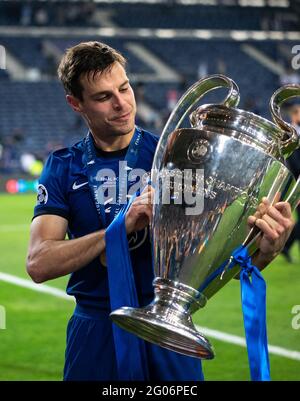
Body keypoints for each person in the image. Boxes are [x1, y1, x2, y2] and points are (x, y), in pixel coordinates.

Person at [26, 41, 295, 381]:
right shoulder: (63, 167)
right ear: (75, 103)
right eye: (103, 97)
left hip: (170, 334)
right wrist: (118, 228)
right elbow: (39, 263)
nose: (122, 104)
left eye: (124, 88)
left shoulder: (180, 156)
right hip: (95, 332)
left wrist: (263, 253)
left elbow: (210, 254)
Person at [282, 104, 300, 263]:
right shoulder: (292, 137)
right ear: (294, 116)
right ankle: (286, 245)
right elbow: (294, 164)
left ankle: (287, 246)